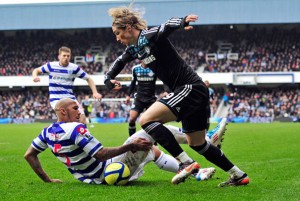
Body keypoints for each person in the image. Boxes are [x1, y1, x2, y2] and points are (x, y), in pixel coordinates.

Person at [105, 5, 249, 186]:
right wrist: (108, 78)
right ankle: (238, 175)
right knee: (197, 144)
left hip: (190, 88)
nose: (117, 38)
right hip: (190, 92)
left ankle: (185, 162)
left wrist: (182, 21)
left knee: (146, 119)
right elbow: (119, 62)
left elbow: (165, 26)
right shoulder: (134, 49)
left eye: (118, 33)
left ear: (128, 27)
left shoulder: (148, 35)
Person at [24, 98, 217, 184]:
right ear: (63, 111)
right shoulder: (75, 128)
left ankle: (197, 173)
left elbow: (29, 155)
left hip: (93, 179)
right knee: (150, 127)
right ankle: (205, 141)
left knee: (151, 151)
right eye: (75, 108)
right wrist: (131, 146)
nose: (79, 111)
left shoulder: (46, 132)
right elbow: (101, 154)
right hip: (109, 170)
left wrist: (47, 180)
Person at [32, 46, 102, 125]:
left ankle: (82, 137)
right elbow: (36, 70)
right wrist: (35, 76)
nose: (66, 58)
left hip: (70, 98)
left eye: (68, 56)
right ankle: (53, 134)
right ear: (59, 56)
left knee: (82, 121)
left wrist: (95, 92)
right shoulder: (51, 66)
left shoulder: (74, 68)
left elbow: (88, 78)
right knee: (66, 121)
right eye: (64, 56)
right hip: (56, 99)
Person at [125, 63, 157, 136]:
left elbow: (164, 80)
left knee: (152, 121)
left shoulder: (154, 68)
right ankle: (132, 140)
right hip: (139, 98)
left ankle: (154, 143)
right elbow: (133, 83)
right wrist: (128, 95)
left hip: (151, 99)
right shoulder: (135, 68)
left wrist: (166, 91)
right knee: (132, 118)